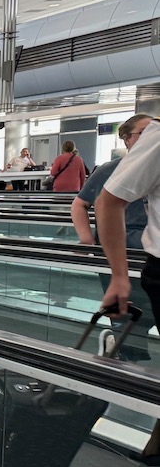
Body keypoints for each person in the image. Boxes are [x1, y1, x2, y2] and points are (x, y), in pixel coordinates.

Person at [81, 115, 153, 362]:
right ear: (126, 138)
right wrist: (87, 240)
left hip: (146, 252)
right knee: (133, 321)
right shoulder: (110, 170)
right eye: (143, 132)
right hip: (129, 253)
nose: (149, 136)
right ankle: (124, 353)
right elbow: (89, 204)